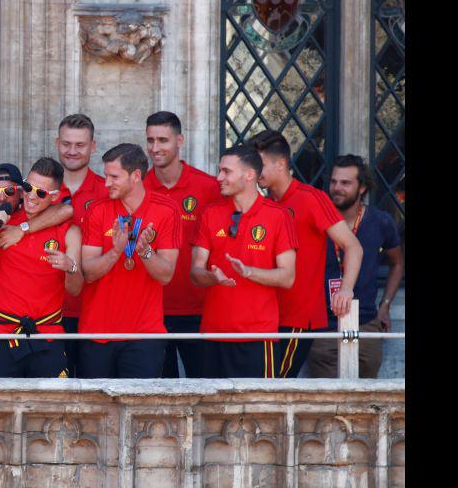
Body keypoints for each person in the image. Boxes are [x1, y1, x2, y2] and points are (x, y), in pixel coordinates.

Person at [248, 130, 363, 378]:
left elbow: (353, 246)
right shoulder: (261, 204)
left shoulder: (311, 198)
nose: (255, 172)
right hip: (263, 315)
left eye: (261, 165)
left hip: (297, 318)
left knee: (275, 387)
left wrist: (346, 288)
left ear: (281, 164)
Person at [0, 158, 82, 377]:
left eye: (41, 193)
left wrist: (70, 267)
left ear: (54, 195)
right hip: (2, 332)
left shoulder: (67, 230)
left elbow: (74, 289)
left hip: (48, 333)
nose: (32, 196)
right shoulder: (5, 224)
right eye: (28, 188)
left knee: (50, 409)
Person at [190, 144, 298, 378]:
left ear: (249, 175)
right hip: (213, 335)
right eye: (219, 170)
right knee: (212, 412)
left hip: (258, 338)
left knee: (260, 412)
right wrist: (212, 277)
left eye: (226, 171)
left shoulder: (277, 216)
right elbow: (196, 272)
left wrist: (249, 272)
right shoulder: (210, 213)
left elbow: (288, 277)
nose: (219, 177)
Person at [78, 143, 182, 378]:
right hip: (97, 333)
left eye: (114, 177)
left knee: (139, 412)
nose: (106, 183)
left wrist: (145, 252)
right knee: (97, 413)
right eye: (105, 176)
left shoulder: (167, 210)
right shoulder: (97, 209)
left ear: (136, 176)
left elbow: (165, 275)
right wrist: (115, 252)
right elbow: (88, 272)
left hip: (144, 335)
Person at [306, 154, 404, 378]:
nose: (337, 188)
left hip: (367, 323)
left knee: (366, 402)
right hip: (323, 327)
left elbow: (397, 263)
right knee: (328, 401)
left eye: (345, 183)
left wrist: (385, 306)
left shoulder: (380, 221)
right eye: (333, 182)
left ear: (362, 188)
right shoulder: (315, 220)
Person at [143, 111, 222, 378]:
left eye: (163, 140)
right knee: (157, 398)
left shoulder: (208, 187)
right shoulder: (140, 187)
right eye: (151, 140)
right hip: (152, 311)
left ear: (180, 141)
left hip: (199, 309)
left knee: (204, 392)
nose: (155, 148)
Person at [34, 113, 107, 376]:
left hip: (95, 311)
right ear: (56, 143)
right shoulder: (38, 191)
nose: (72, 151)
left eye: (80, 145)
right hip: (46, 311)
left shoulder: (108, 190)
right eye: (67, 144)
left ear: (93, 146)